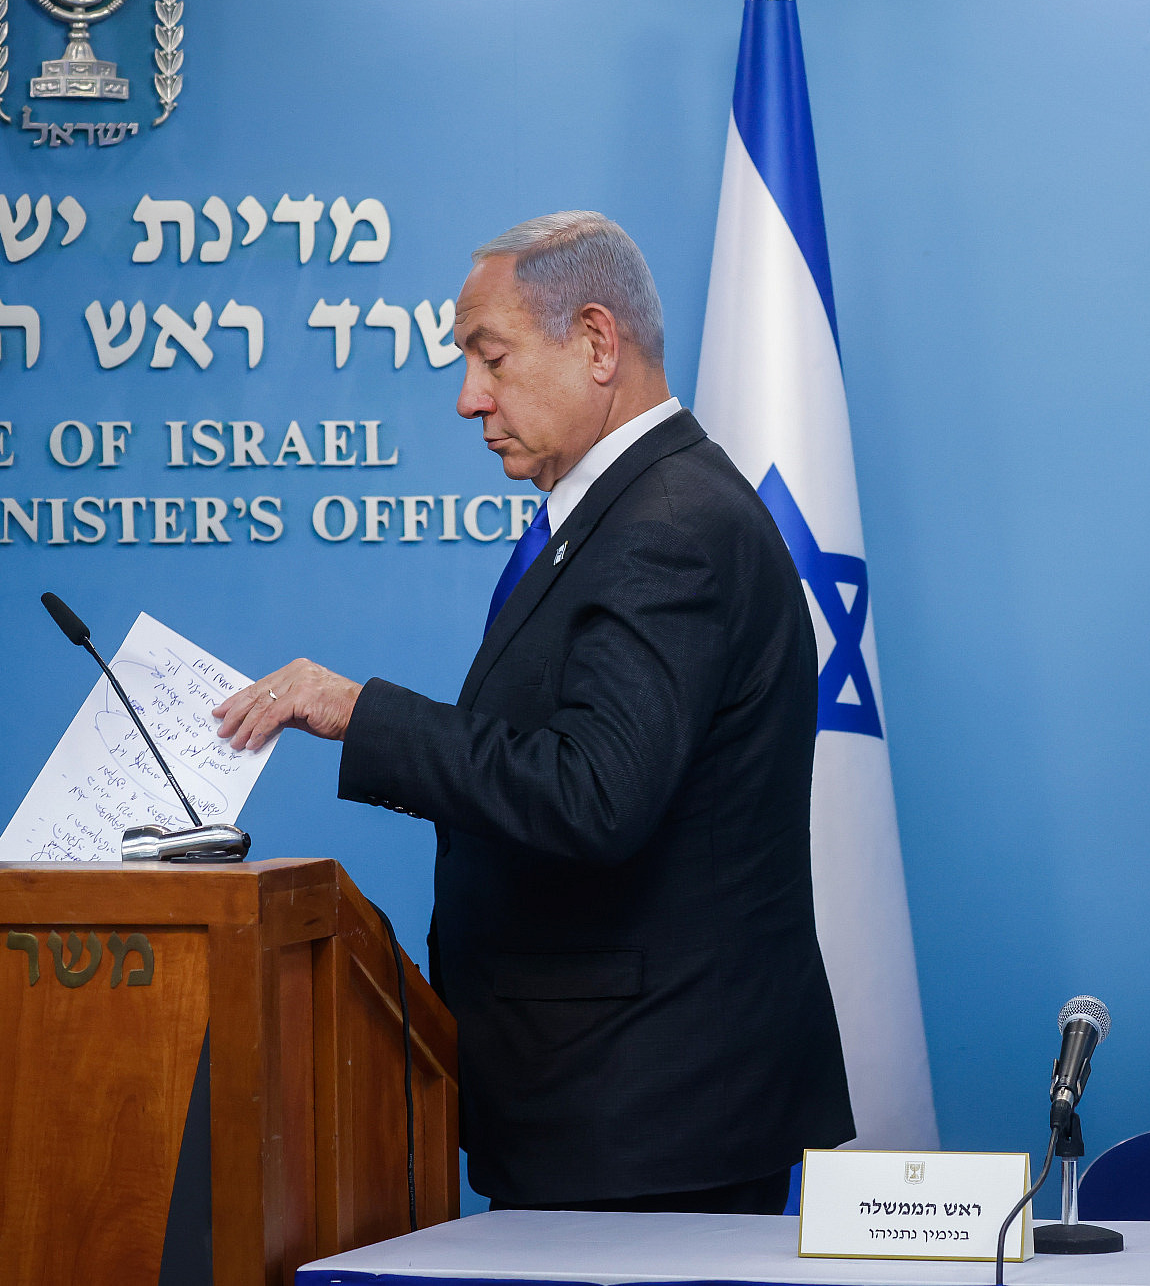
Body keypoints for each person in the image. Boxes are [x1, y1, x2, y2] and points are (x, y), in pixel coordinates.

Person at [214, 211, 855, 1212]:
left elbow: (594, 793)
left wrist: (358, 712)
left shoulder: (668, 526)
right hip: (601, 1102)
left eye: (491, 358)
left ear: (596, 342)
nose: (470, 399)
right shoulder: (623, 512)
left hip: (650, 1116)